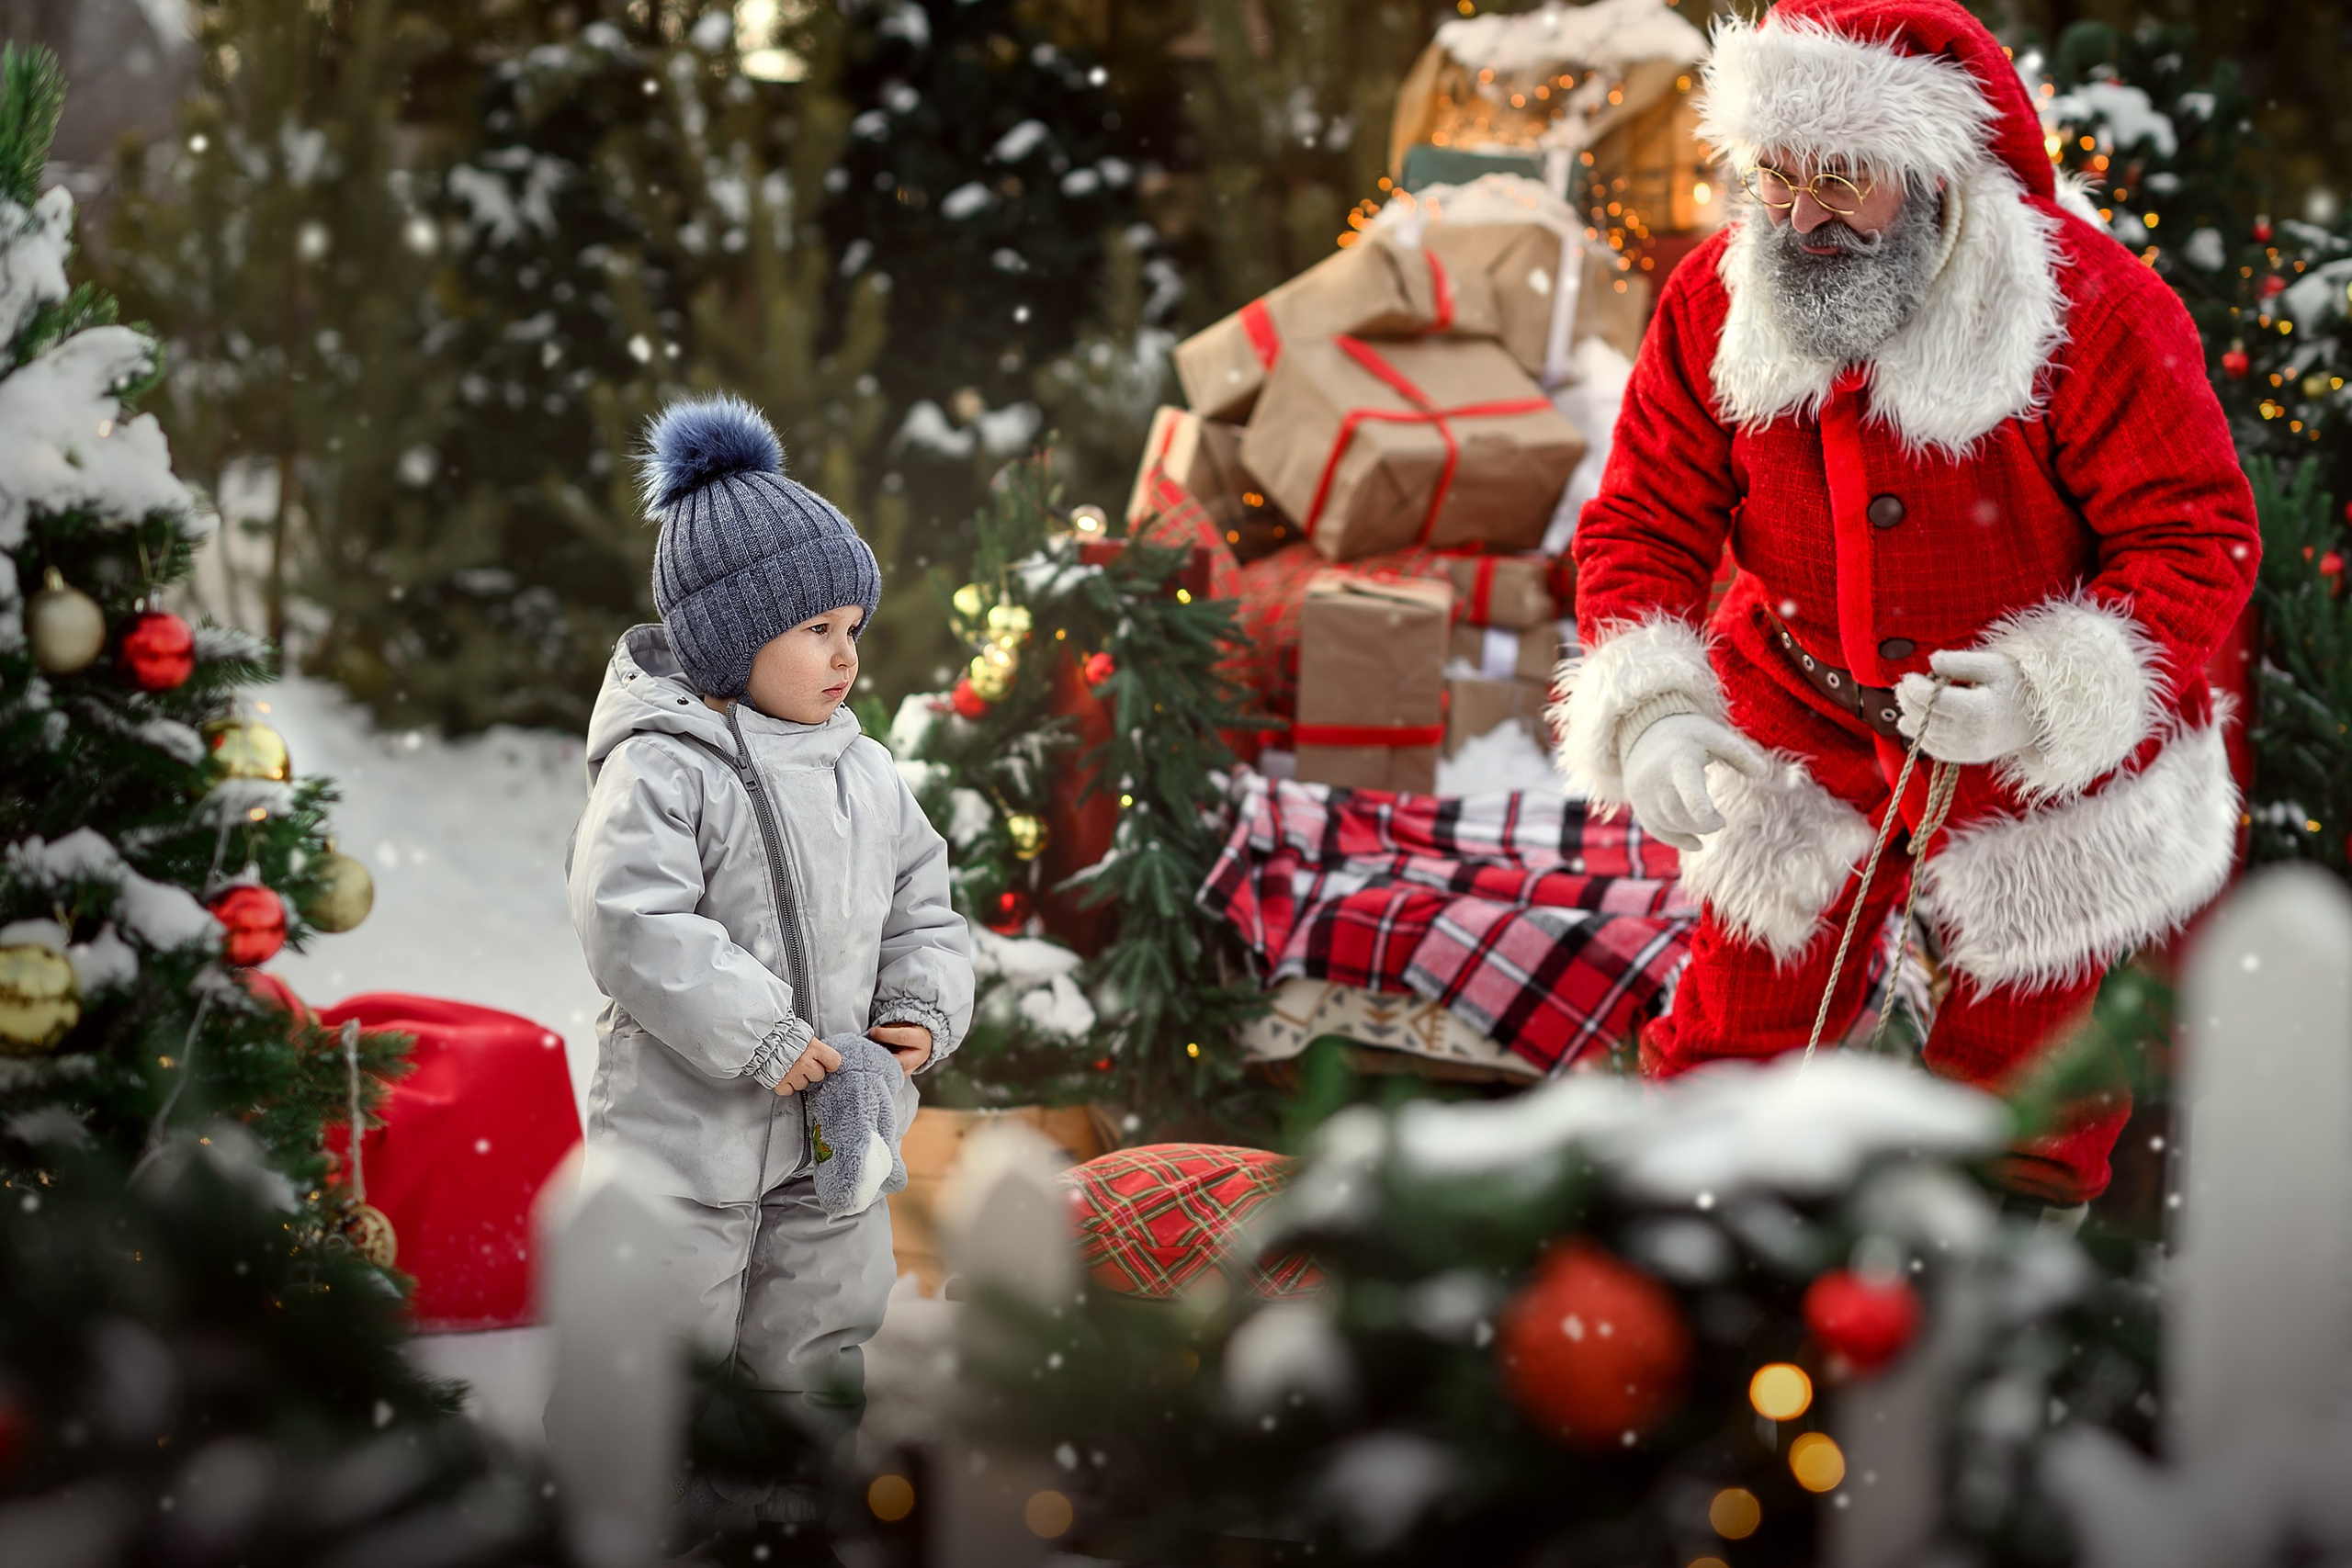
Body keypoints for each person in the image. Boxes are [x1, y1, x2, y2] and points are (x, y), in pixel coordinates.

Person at [1554, 0, 2257, 1206]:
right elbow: (1641, 523)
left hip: (2028, 740)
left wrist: (2045, 697)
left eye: (1841, 176)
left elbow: (2194, 534)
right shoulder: (1712, 300)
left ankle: (1994, 1285)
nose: (1797, 212)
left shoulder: (2092, 307)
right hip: (1799, 701)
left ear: (1938, 169)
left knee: (2026, 1084)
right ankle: (1711, 1249)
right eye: (1774, 172)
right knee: (1735, 1037)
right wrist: (1654, 708)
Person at [564, 393, 972, 1525]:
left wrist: (915, 1013)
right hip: (687, 1126)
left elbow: (926, 912)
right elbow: (632, 918)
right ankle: (637, 1509)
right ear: (733, 640)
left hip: (836, 1123)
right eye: (816, 633)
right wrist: (768, 1035)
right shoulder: (663, 766)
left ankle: (789, 1502)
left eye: (853, 629)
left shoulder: (867, 772)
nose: (846, 658)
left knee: (820, 1325)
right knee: (663, 1325)